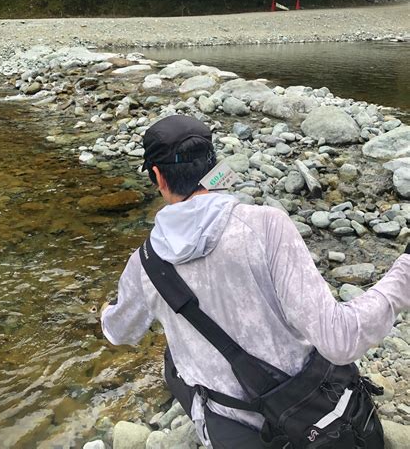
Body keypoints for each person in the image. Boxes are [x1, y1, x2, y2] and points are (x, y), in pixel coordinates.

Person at [101, 115, 410, 448]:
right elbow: (340, 339)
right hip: (306, 412)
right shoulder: (266, 226)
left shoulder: (144, 264)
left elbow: (120, 332)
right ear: (213, 164)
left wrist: (106, 311)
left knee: (171, 363)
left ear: (158, 176)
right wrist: (404, 272)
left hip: (229, 427)